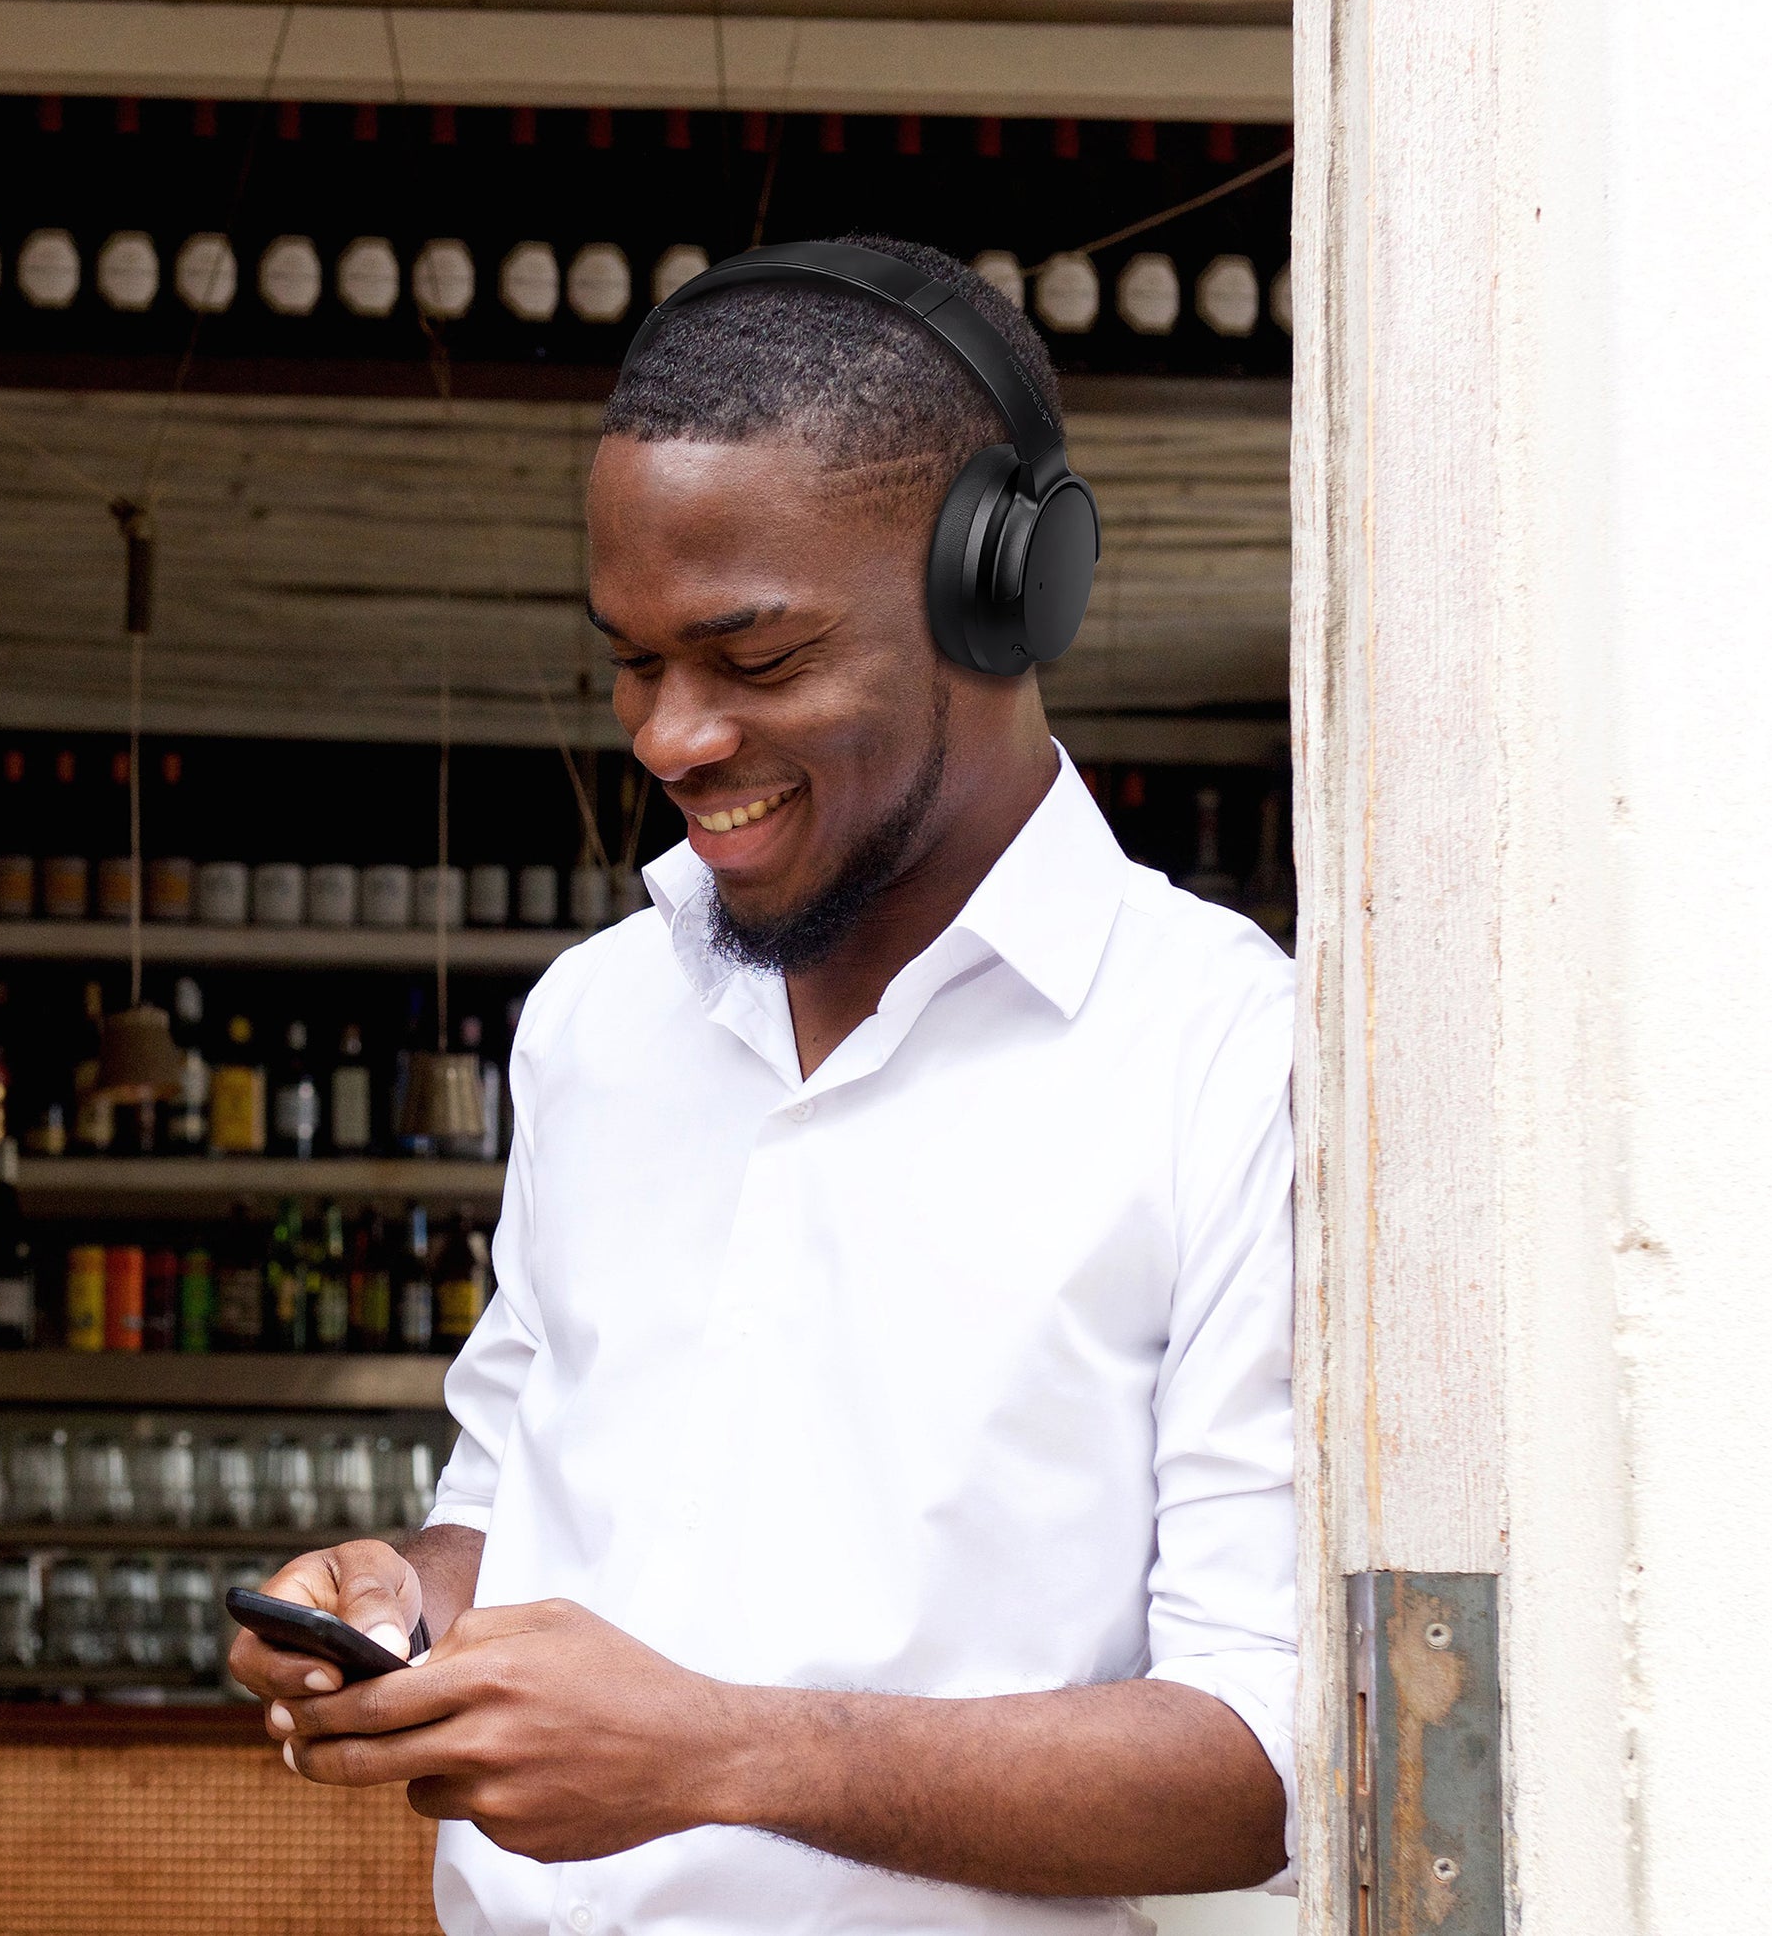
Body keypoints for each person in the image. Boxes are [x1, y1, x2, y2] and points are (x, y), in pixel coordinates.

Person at [231, 234, 1296, 1935]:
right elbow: (517, 1497)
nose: (667, 738)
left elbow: (1261, 1764)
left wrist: (719, 1755)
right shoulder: (597, 1018)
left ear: (1001, 595)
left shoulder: (1229, 1058)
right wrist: (405, 1601)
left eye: (755, 656)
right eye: (635, 661)